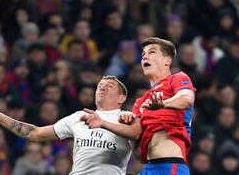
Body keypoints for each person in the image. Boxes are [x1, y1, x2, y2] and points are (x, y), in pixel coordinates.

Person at [82, 37, 196, 174]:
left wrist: (164, 104)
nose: (145, 56)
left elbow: (187, 98)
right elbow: (137, 150)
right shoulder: (140, 102)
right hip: (147, 168)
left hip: (170, 166)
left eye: (152, 52)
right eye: (143, 54)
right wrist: (105, 123)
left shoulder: (177, 79)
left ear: (168, 60)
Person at [0, 75, 132, 175]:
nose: (102, 88)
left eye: (109, 86)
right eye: (99, 85)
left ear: (121, 98)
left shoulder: (128, 119)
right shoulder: (78, 117)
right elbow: (34, 133)